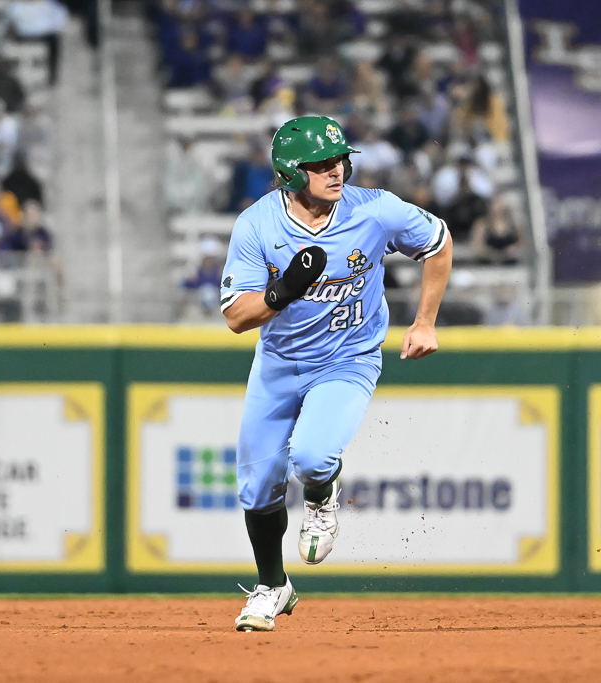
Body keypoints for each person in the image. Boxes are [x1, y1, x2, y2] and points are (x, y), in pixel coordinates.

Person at [220, 115, 451, 632]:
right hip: (279, 364)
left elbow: (437, 242)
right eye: (320, 164)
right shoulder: (257, 225)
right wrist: (282, 292)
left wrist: (425, 321)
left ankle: (322, 496)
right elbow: (237, 317)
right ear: (289, 172)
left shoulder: (375, 210)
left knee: (311, 455)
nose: (336, 170)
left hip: (348, 357)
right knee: (257, 486)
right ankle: (272, 587)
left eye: (339, 159)